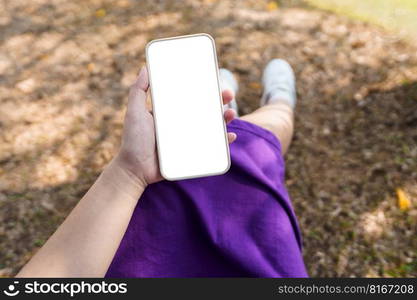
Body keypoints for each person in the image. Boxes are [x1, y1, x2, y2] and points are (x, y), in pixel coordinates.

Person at [17, 59, 307, 278]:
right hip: (251, 258)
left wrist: (129, 172)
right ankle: (280, 98)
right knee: (259, 140)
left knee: (234, 144)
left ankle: (232, 96)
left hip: (152, 234)